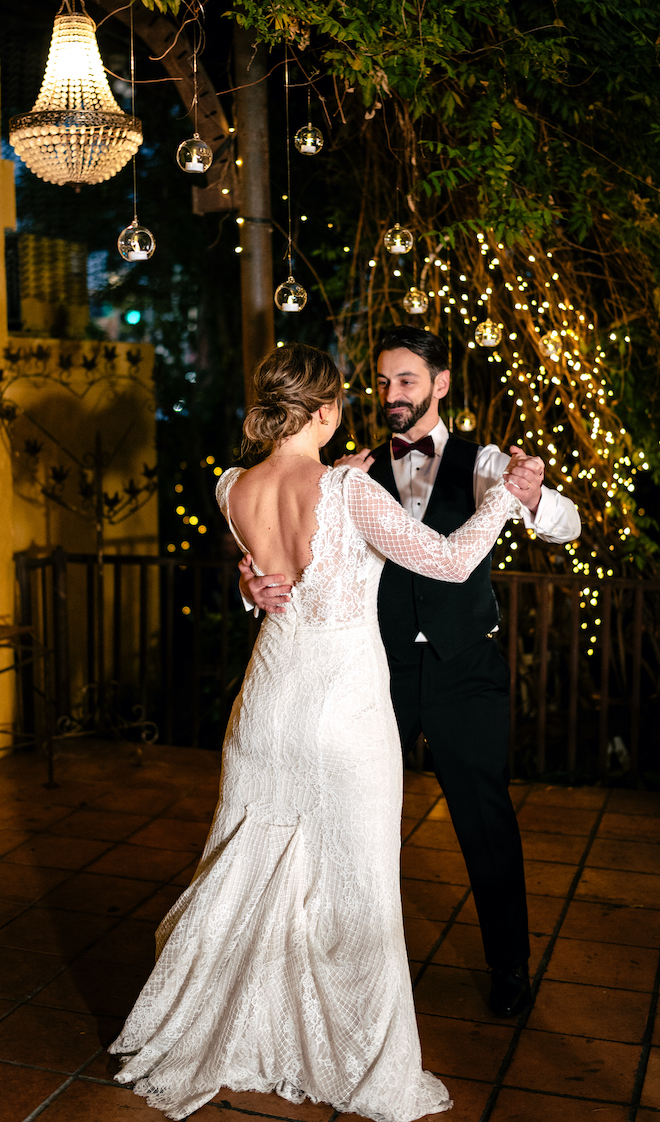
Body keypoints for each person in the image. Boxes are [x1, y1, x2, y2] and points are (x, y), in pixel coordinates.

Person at [109, 342, 527, 1121]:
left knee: (252, 864)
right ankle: (350, 1054)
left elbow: (268, 572)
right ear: (329, 409)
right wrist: (502, 497)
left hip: (267, 704)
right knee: (355, 883)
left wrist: (248, 582)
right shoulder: (346, 489)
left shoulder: (232, 485)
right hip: (344, 710)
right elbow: (445, 561)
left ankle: (231, 1027)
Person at [240, 327, 581, 1020]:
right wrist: (250, 586)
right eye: (384, 382)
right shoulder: (345, 473)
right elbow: (295, 553)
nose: (392, 395)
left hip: (464, 669)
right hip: (371, 671)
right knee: (351, 823)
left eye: (406, 381)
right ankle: (349, 972)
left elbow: (566, 527)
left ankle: (509, 968)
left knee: (485, 819)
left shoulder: (486, 461)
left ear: (440, 383)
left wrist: (534, 496)